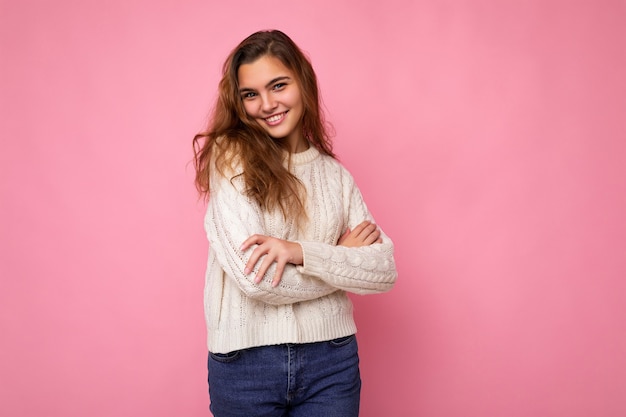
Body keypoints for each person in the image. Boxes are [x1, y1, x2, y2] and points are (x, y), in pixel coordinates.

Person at [192, 29, 397, 417]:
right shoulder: (230, 160)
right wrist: (339, 259)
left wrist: (300, 253)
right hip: (245, 365)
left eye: (278, 85)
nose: (267, 104)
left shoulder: (335, 176)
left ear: (302, 82)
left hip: (332, 362)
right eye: (250, 94)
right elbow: (256, 280)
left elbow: (383, 270)